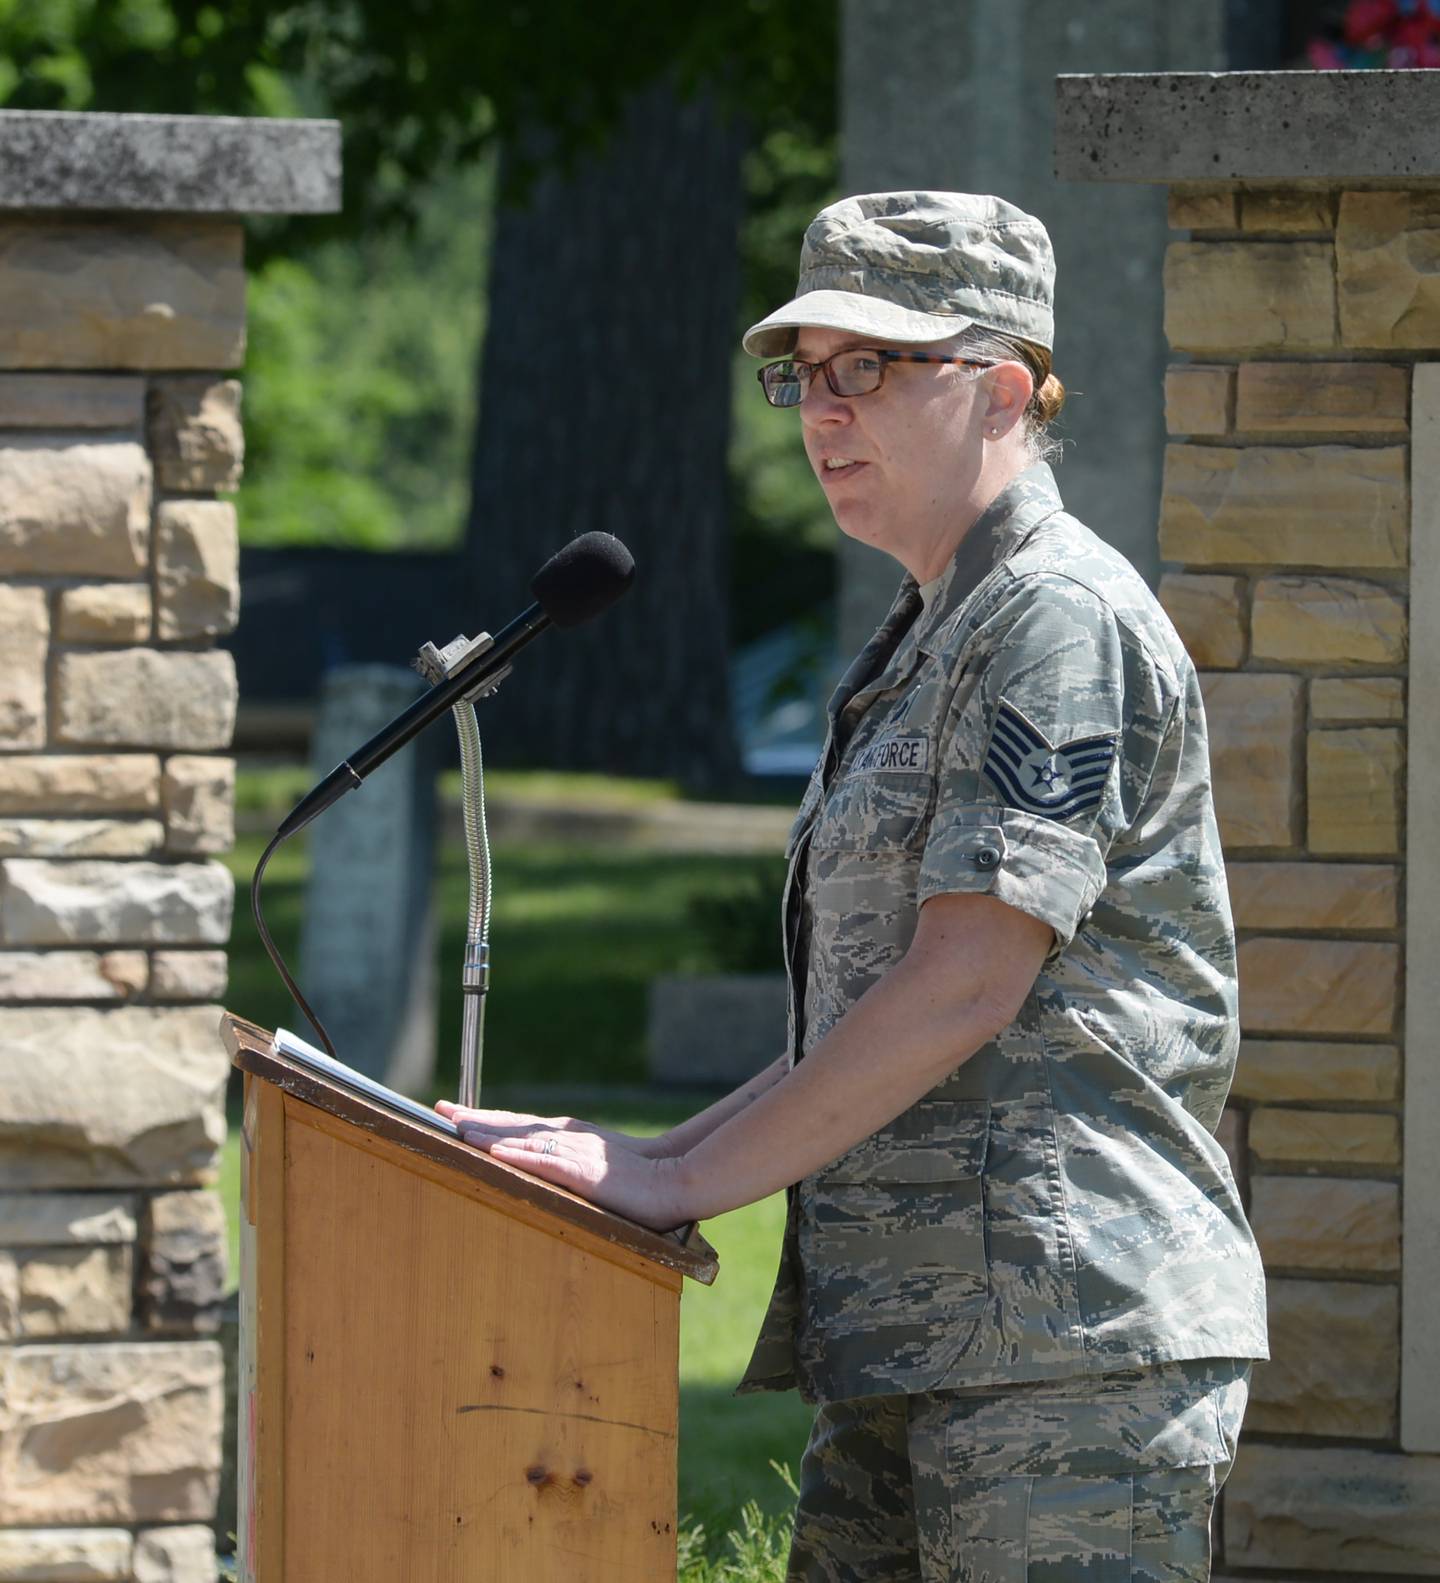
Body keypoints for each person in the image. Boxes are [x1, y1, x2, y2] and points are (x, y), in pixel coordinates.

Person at [437, 191, 1268, 1581]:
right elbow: (883, 1010)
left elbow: (967, 980)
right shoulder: (933, 629)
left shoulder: (1055, 618)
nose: (823, 414)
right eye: (804, 375)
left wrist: (689, 1173)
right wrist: (654, 1164)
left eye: (871, 368)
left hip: (1062, 1360)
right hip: (915, 1343)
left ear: (1005, 385)